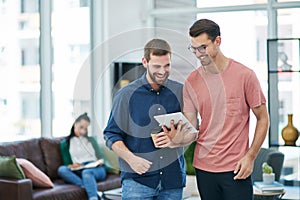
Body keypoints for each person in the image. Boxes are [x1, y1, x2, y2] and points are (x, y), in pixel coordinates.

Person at [159, 19, 269, 200]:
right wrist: (177, 140)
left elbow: (263, 118)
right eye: (193, 49)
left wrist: (251, 157)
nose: (198, 54)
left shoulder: (245, 76)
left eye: (203, 47)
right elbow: (192, 129)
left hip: (236, 168)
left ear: (217, 41)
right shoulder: (192, 82)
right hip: (204, 169)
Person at [103, 39, 186, 200]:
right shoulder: (126, 95)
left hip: (172, 181)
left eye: (167, 65)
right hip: (138, 183)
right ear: (144, 62)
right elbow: (111, 134)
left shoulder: (180, 92)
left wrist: (178, 138)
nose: (162, 71)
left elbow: (192, 128)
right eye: (156, 66)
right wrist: (131, 159)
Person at [58, 113, 107, 200]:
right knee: (61, 170)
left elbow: (101, 157)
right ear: (75, 124)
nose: (83, 131)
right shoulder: (65, 144)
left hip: (95, 168)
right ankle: (91, 188)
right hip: (79, 169)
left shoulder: (91, 140)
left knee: (87, 173)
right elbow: (67, 164)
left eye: (85, 128)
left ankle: (93, 197)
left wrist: (100, 161)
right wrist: (72, 165)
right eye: (81, 127)